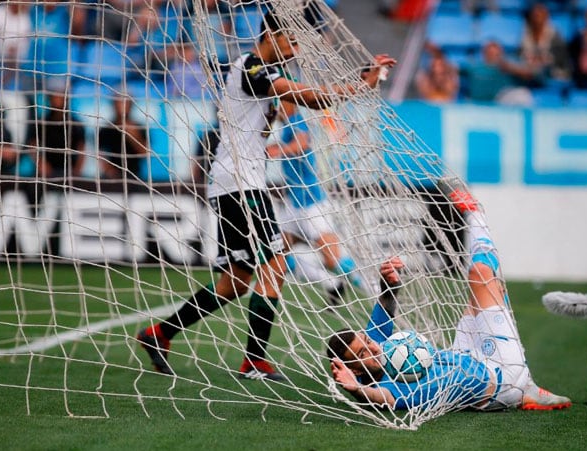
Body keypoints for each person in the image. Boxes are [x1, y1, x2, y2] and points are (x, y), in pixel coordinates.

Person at [137, 10, 395, 380]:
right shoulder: (252, 68)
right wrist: (359, 84)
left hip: (234, 182)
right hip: (241, 184)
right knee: (276, 263)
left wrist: (359, 77)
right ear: (271, 35)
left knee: (237, 281)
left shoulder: (265, 75)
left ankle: (159, 333)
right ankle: (254, 360)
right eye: (291, 40)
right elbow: (313, 98)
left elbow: (291, 105)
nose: (294, 49)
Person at [327, 180, 572, 411]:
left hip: (465, 353)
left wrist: (388, 282)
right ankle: (475, 214)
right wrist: (356, 389)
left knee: (481, 292)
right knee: (481, 273)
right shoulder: (387, 387)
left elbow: (387, 302)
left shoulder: (377, 344)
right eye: (362, 354)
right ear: (356, 371)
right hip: (502, 377)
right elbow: (383, 399)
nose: (373, 349)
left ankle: (497, 293)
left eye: (366, 343)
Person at [267, 101, 363, 306]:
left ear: (289, 103)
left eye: (280, 101)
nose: (276, 106)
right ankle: (330, 282)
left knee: (333, 259)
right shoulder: (285, 125)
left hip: (311, 202)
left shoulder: (297, 121)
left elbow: (302, 143)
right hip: (294, 202)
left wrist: (279, 150)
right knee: (276, 252)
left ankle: (373, 286)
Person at [96, 95, 150, 181]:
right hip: (110, 177)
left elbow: (145, 153)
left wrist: (133, 135)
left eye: (126, 102)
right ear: (113, 104)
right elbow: (99, 153)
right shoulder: (106, 128)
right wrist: (108, 169)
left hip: (135, 176)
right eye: (119, 102)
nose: (122, 105)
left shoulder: (139, 127)